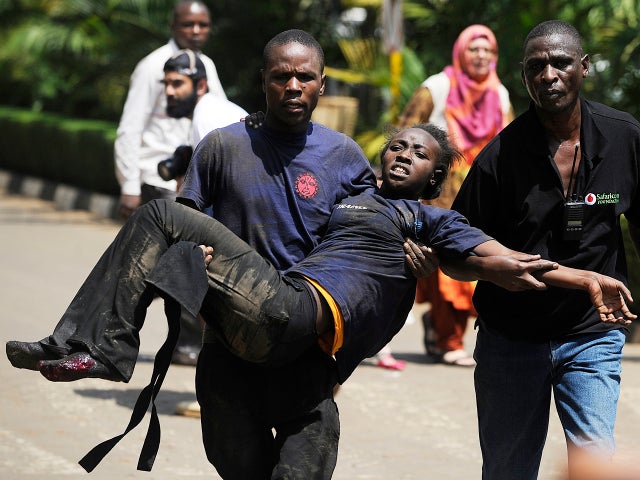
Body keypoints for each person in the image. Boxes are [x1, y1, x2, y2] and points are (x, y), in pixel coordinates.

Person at [7, 124, 634, 475]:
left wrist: (584, 279)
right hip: (269, 313)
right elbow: (273, 209)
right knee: (165, 222)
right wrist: (206, 253)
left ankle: (103, 348)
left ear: (435, 178)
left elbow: (503, 260)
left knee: (161, 216)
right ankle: (94, 348)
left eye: (420, 153)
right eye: (397, 144)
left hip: (300, 315)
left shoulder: (427, 221)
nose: (402, 154)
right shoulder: (345, 196)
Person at [450, 20, 640, 479]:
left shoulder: (624, 138)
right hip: (511, 339)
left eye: (561, 63)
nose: (549, 75)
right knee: (508, 471)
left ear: (584, 67)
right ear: (524, 77)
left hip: (592, 335)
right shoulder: (500, 157)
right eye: (537, 66)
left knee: (594, 463)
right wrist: (495, 270)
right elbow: (455, 250)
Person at [398, 24, 514, 366]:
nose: (481, 57)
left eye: (488, 51)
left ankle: (447, 334)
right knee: (441, 263)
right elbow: (406, 126)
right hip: (438, 192)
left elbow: (508, 143)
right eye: (474, 49)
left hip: (480, 191)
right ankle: (448, 337)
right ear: (461, 51)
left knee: (473, 261)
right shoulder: (438, 86)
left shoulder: (499, 93)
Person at [115, 0, 226, 220]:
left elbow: (220, 120)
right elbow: (131, 126)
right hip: (158, 182)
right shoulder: (152, 65)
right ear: (173, 26)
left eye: (203, 25)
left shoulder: (207, 65)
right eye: (188, 24)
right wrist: (129, 186)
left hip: (192, 184)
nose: (196, 30)